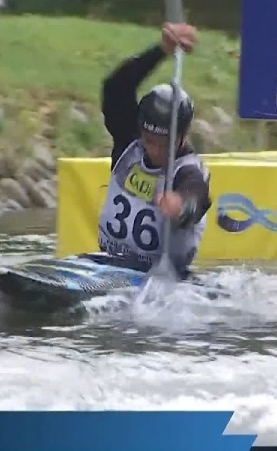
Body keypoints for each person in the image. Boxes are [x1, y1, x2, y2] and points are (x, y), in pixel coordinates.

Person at [97, 21, 212, 279]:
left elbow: (196, 196)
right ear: (141, 130)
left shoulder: (189, 170)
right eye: (150, 141)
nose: (157, 151)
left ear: (184, 136)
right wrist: (161, 50)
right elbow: (115, 88)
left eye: (166, 143)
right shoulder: (130, 141)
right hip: (111, 265)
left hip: (163, 279)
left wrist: (181, 205)